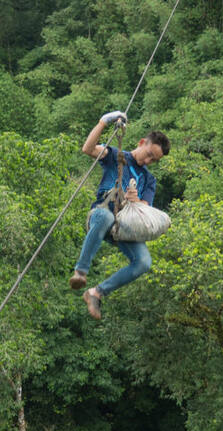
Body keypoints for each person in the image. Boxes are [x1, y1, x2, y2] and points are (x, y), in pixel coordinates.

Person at [69, 110, 170, 320]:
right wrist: (103, 122)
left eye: (154, 160)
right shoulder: (116, 156)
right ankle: (81, 272)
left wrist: (135, 200)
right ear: (142, 142)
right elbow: (87, 149)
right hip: (102, 214)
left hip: (124, 227)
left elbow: (146, 206)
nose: (149, 161)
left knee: (144, 262)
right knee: (106, 218)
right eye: (149, 154)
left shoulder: (149, 180)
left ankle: (96, 293)